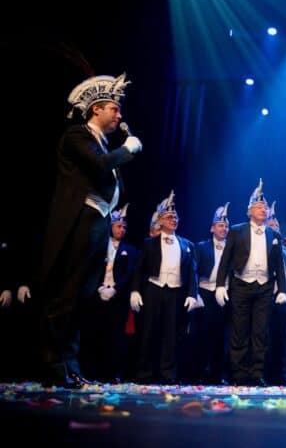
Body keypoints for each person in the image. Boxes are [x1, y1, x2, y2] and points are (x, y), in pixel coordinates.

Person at [38, 74, 143, 388]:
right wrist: (127, 150)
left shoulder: (102, 145)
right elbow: (98, 167)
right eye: (114, 108)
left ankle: (70, 366)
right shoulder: (77, 135)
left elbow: (114, 183)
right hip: (80, 221)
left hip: (98, 222)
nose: (119, 115)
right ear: (96, 109)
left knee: (82, 298)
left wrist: (119, 155)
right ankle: (54, 366)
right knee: (67, 295)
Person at [215, 180, 286, 386]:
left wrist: (282, 289)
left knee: (260, 332)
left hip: (264, 287)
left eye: (265, 207)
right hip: (241, 285)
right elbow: (225, 260)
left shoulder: (274, 234)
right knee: (239, 331)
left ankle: (257, 373)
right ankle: (238, 374)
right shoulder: (237, 231)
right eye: (259, 206)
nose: (264, 209)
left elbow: (279, 264)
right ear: (249, 211)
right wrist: (220, 285)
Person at [130, 191, 199, 384]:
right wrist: (135, 291)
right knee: (148, 332)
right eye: (169, 217)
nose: (173, 220)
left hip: (175, 293)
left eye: (175, 217)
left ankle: (168, 374)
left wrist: (192, 294)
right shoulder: (149, 244)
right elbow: (139, 269)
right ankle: (144, 373)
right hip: (154, 289)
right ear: (160, 221)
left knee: (171, 334)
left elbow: (192, 272)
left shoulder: (187, 245)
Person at [79, 204, 139, 382]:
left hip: (117, 297)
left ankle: (111, 374)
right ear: (110, 226)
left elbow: (130, 273)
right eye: (119, 226)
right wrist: (99, 287)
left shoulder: (131, 250)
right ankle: (91, 372)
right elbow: (91, 268)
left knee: (115, 337)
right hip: (97, 295)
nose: (122, 230)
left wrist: (115, 289)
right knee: (95, 334)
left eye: (124, 227)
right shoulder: (99, 246)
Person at [193, 203, 231, 384]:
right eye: (220, 225)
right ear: (212, 228)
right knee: (203, 334)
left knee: (222, 335)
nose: (224, 229)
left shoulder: (232, 247)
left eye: (226, 226)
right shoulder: (201, 247)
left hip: (225, 294)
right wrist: (195, 293)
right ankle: (201, 372)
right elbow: (193, 271)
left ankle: (218, 374)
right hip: (205, 293)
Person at [264, 201, 286, 386]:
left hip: (282, 299)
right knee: (263, 338)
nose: (275, 227)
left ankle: (281, 374)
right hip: (265, 296)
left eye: (277, 225)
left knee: (281, 338)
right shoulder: (262, 246)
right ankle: (262, 373)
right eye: (272, 224)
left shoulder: (284, 250)